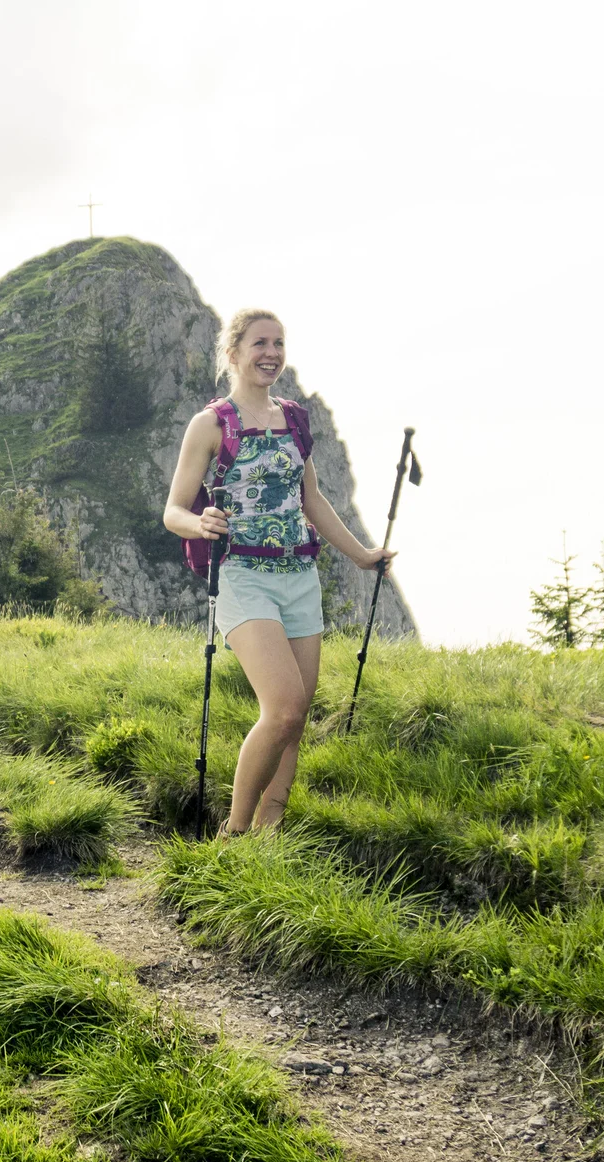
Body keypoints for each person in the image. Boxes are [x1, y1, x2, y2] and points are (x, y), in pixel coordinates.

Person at [162, 309, 396, 835]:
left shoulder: (293, 419)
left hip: (300, 577)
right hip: (243, 576)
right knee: (285, 708)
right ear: (234, 353)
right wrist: (200, 522)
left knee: (297, 718)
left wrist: (362, 555)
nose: (271, 353)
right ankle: (234, 835)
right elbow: (172, 510)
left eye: (279, 343)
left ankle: (270, 835)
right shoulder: (211, 424)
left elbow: (312, 500)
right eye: (260, 344)